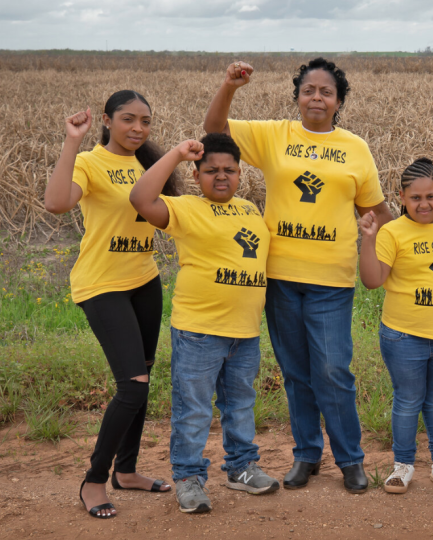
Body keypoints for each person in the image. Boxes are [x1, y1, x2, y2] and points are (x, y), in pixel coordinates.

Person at [203, 57, 393, 493]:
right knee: (295, 371)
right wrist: (229, 86)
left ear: (339, 101)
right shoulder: (274, 135)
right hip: (280, 277)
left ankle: (350, 459)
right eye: (309, 90)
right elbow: (215, 130)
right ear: (297, 96)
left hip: (332, 279)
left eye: (326, 92)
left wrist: (412, 243)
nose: (317, 97)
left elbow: (377, 211)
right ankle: (307, 455)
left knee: (332, 370)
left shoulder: (355, 148)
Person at [129, 133, 278, 513]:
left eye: (229, 169)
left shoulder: (249, 210)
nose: (221, 176)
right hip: (199, 331)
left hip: (245, 332)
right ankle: (189, 478)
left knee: (241, 404)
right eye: (211, 170)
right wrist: (177, 154)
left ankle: (242, 468)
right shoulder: (186, 208)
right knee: (193, 409)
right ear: (197, 175)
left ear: (241, 173)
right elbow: (141, 199)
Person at [44, 91, 176, 519]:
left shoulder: (145, 164)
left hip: (144, 280)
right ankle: (94, 479)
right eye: (127, 119)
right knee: (132, 385)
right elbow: (57, 203)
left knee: (143, 379)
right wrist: (72, 141)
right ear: (106, 120)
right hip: (101, 285)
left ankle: (128, 470)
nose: (138, 128)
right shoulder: (90, 162)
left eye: (145, 121)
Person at [358, 158, 433, 495]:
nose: (424, 204)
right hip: (403, 336)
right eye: (415, 198)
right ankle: (403, 465)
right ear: (401, 196)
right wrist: (368, 240)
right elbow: (372, 281)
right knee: (409, 400)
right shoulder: (392, 232)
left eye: (431, 196)